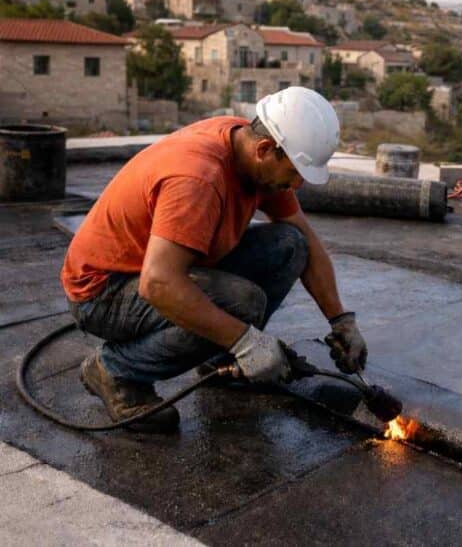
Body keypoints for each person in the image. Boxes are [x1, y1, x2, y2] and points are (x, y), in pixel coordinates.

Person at [62, 86, 368, 433]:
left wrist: (341, 321)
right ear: (265, 150)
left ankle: (220, 358)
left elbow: (307, 240)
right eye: (295, 172)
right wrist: (247, 341)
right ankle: (115, 370)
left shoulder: (249, 144)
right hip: (104, 292)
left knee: (290, 245)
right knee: (243, 303)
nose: (296, 184)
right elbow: (158, 283)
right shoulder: (199, 179)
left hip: (159, 269)